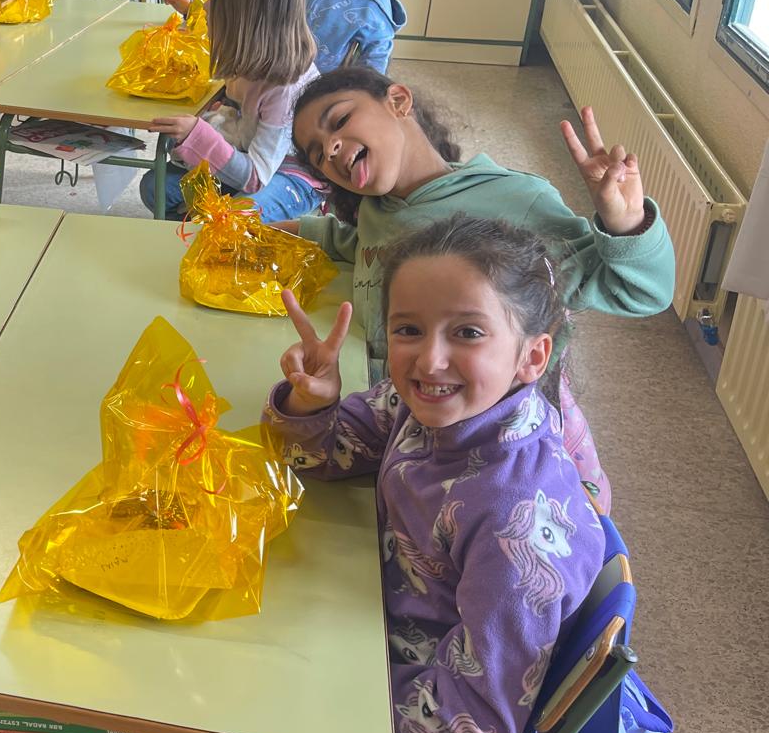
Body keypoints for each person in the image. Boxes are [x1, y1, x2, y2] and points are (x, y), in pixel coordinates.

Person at [0, 214, 603, 733]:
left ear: (533, 357)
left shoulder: (517, 516)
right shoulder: (441, 407)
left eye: (468, 332)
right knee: (178, 634)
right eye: (408, 329)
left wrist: (305, 693)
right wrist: (312, 404)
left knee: (137, 729)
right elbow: (327, 452)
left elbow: (478, 717)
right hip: (383, 649)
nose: (430, 359)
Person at [289, 64, 676, 512]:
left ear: (399, 101)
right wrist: (264, 227)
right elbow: (362, 245)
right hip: (409, 418)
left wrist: (626, 221)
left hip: (501, 451)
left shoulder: (517, 201)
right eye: (317, 154)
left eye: (340, 121)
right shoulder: (379, 208)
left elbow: (642, 290)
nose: (330, 149)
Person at [142, 0, 324, 222]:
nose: (206, 7)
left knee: (234, 217)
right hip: (246, 151)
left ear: (243, 18)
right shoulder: (252, 54)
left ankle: (211, 229)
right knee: (155, 187)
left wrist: (197, 135)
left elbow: (255, 177)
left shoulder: (284, 87)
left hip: (292, 175)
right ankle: (199, 228)